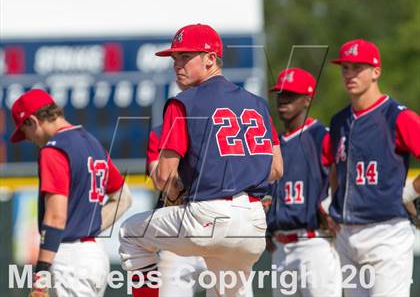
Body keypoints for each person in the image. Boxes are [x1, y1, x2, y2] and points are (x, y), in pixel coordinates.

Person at [119, 23, 283, 297]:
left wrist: (177, 187)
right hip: (253, 223)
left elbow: (163, 177)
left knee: (130, 233)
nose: (177, 64)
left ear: (210, 59)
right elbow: (277, 169)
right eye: (175, 59)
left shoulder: (184, 103)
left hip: (208, 217)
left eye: (185, 57)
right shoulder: (257, 103)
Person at [10, 89, 132, 297]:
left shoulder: (54, 150)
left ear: (33, 121)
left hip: (69, 258)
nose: (28, 139)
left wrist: (41, 275)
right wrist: (87, 226)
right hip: (94, 256)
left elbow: (56, 217)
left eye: (25, 131)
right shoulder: (92, 142)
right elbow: (124, 197)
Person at [326, 39, 420, 296]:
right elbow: (337, 168)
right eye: (345, 67)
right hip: (346, 234)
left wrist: (411, 191)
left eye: (358, 67)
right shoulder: (339, 121)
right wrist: (334, 207)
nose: (350, 74)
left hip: (386, 233)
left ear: (376, 72)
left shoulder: (397, 116)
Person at [266, 68, 341, 297]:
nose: (283, 99)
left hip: (315, 243)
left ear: (307, 99)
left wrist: (331, 206)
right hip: (280, 247)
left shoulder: (322, 136)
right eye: (280, 93)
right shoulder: (273, 145)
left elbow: (346, 172)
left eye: (291, 94)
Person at [146, 125, 208, 297]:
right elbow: (160, 180)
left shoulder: (218, 129)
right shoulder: (161, 132)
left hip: (218, 232)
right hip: (178, 238)